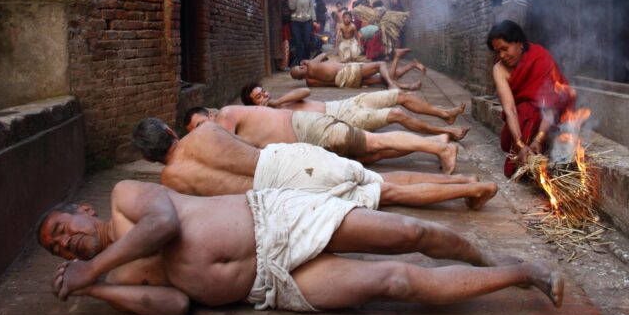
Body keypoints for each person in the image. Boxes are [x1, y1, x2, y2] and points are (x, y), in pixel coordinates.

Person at [39, 180, 564, 315]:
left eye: (62, 228)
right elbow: (174, 308)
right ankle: (520, 273)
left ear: (84, 211)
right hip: (265, 286)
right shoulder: (116, 277)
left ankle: (486, 257)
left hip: (279, 219)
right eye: (56, 248)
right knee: (395, 282)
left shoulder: (125, 198)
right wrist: (102, 288)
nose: (65, 242)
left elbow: (163, 224)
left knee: (409, 233)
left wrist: (94, 269)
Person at [133, 117, 493, 209]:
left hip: (281, 192)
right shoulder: (207, 131)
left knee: (388, 193)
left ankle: (473, 187)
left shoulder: (171, 180)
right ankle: (469, 183)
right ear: (169, 130)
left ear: (151, 159)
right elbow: (246, 147)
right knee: (377, 180)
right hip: (288, 161)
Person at [180, 101, 459, 171]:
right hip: (308, 140)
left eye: (200, 124)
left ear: (209, 114)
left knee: (375, 141)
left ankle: (439, 148)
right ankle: (436, 144)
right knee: (372, 153)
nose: (202, 133)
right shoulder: (222, 121)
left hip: (308, 129)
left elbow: (227, 148)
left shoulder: (225, 115)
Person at [487, 20, 575, 177]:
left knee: (531, 111)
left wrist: (539, 139)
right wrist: (519, 144)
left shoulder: (541, 57)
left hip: (548, 115)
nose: (502, 56)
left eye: (505, 49)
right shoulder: (499, 69)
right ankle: (525, 151)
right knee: (513, 131)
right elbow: (510, 109)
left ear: (519, 43)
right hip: (522, 116)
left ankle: (533, 151)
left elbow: (551, 103)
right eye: (497, 52)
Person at [236, 83, 469, 141]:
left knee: (399, 95)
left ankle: (444, 114)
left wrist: (277, 101)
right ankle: (444, 132)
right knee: (397, 114)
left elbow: (304, 90)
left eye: (263, 91)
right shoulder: (268, 118)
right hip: (343, 119)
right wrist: (272, 109)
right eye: (259, 96)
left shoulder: (281, 101)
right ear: (254, 106)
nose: (265, 95)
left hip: (346, 103)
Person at [290, 49, 424, 90]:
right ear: (302, 67)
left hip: (345, 80)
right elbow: (323, 54)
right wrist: (306, 61)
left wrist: (343, 82)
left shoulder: (310, 81)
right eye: (301, 67)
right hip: (349, 71)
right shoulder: (311, 64)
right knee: (380, 65)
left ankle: (409, 83)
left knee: (382, 77)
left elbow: (329, 83)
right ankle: (392, 83)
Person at [287, 0, 316, 64]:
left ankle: (307, 61)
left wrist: (314, 20)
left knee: (307, 42)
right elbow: (292, 7)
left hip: (307, 21)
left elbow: (311, 7)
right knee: (298, 43)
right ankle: (301, 63)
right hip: (295, 22)